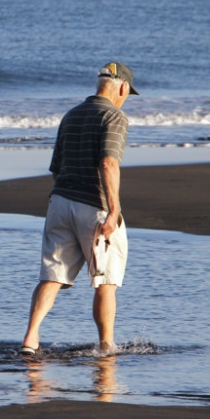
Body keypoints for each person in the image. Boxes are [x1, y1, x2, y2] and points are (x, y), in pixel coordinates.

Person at [21, 62, 138, 356]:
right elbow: (109, 163)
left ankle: (30, 340)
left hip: (60, 202)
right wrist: (113, 210)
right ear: (122, 87)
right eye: (128, 92)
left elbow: (56, 168)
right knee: (106, 281)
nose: (126, 97)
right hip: (94, 206)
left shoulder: (71, 115)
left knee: (51, 276)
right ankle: (105, 345)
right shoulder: (114, 116)